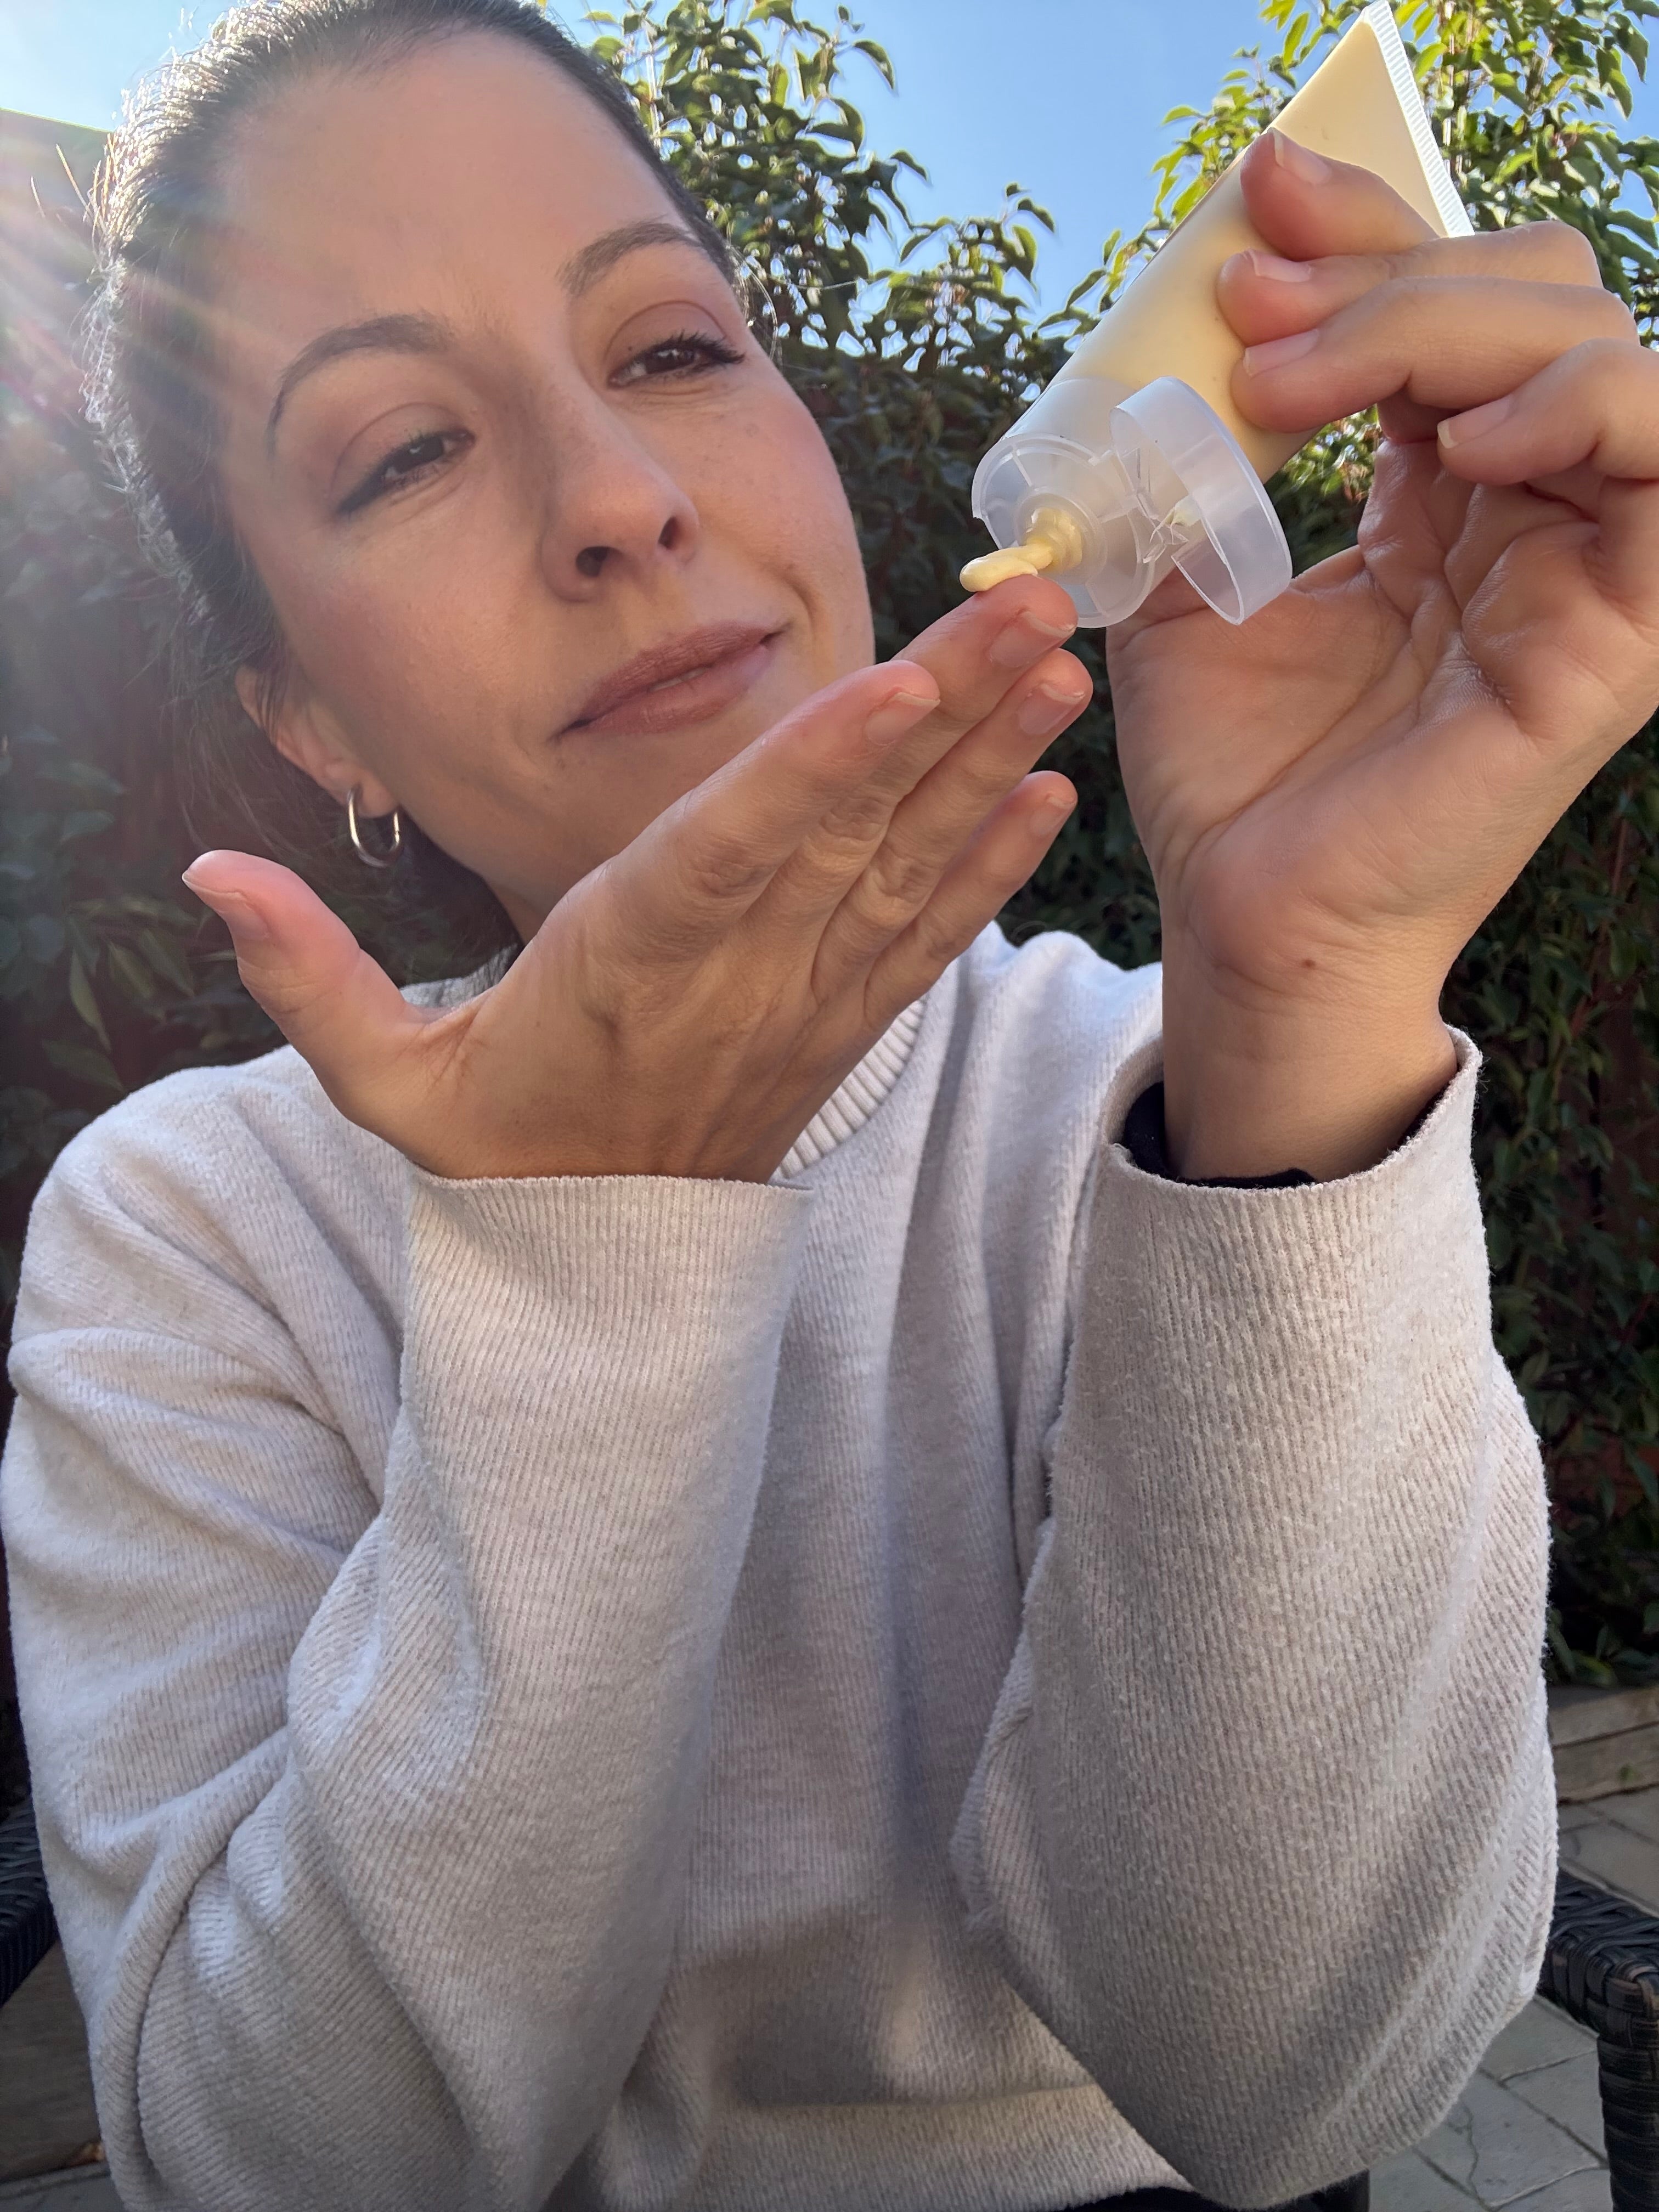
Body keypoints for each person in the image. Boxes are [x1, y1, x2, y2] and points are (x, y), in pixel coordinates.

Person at [2, 1, 1650, 2207]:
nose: (618, 496)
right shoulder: (190, 1228)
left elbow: (1288, 2090)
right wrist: (594, 1251)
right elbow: (288, 2163)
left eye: (673, 346)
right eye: (402, 452)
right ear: (313, 727)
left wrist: (1311, 988)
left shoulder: (1181, 1099)